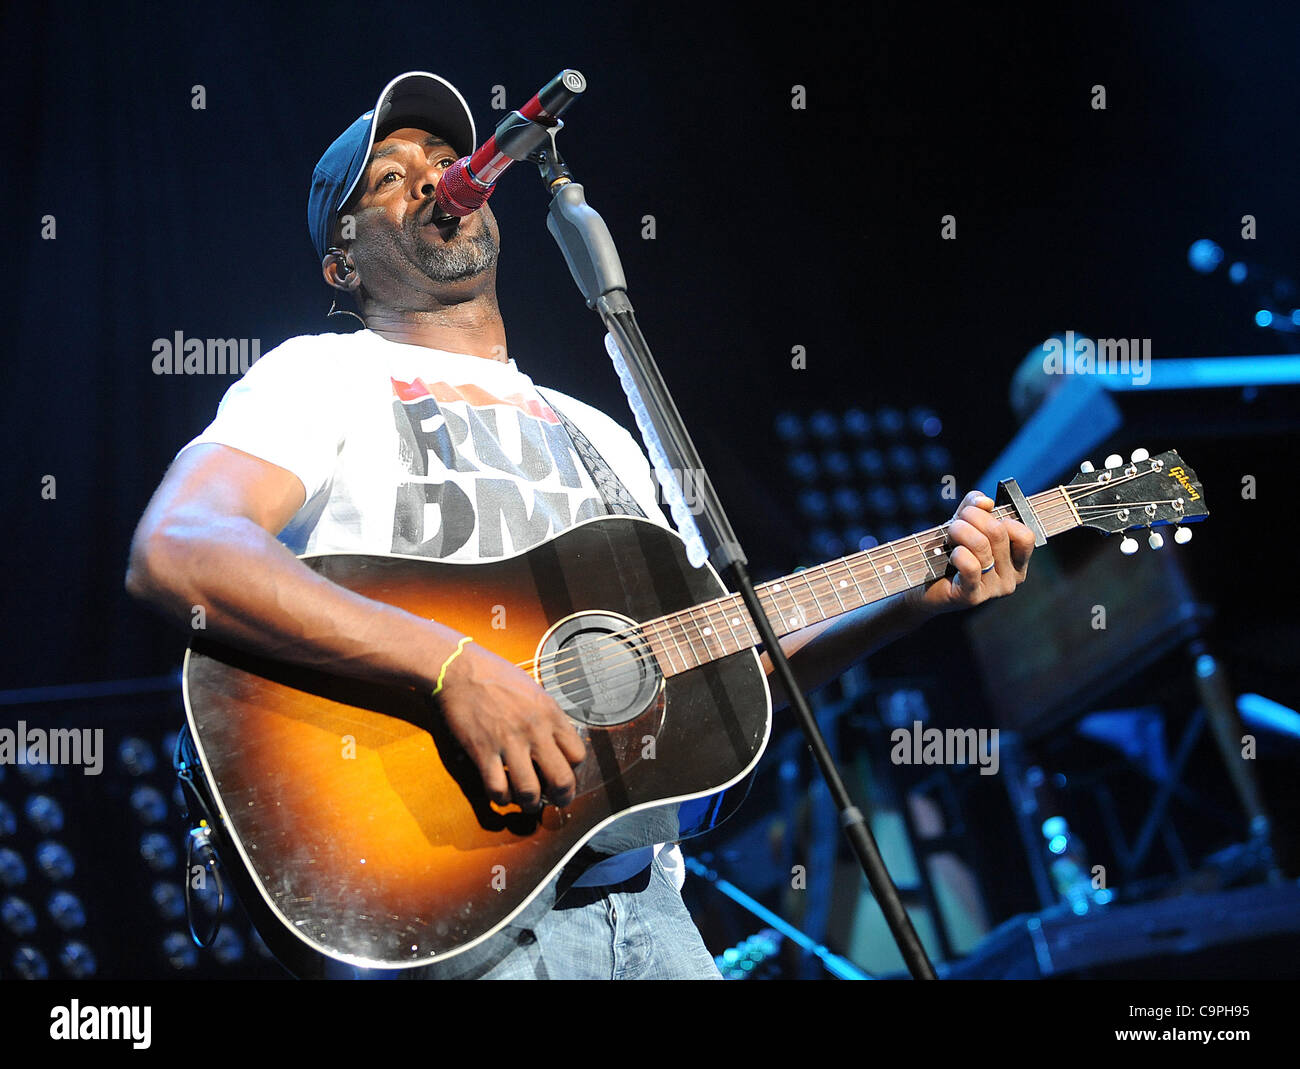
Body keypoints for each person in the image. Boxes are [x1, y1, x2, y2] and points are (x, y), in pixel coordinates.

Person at [126, 71, 1036, 980]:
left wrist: (916, 597)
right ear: (343, 262)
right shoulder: (319, 375)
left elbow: (721, 668)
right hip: (447, 900)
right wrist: (451, 667)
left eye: (446, 160)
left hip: (651, 915)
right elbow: (182, 548)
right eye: (390, 179)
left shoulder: (600, 430)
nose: (438, 180)